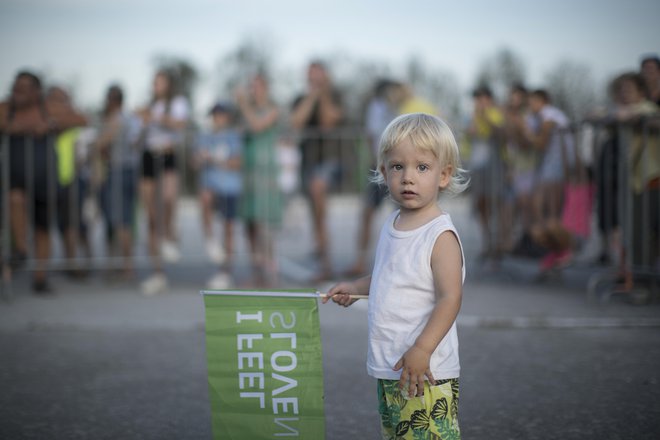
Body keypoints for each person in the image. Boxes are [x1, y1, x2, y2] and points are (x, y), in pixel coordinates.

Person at [323, 113, 467, 439]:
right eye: (398, 167)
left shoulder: (439, 235)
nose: (408, 178)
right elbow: (389, 277)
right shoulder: (393, 225)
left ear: (444, 175)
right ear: (384, 172)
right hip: (391, 365)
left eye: (422, 167)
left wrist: (423, 349)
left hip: (426, 370)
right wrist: (357, 288)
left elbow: (450, 298)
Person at [0, 71, 87, 293]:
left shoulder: (48, 108)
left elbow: (81, 118)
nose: (18, 92)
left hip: (45, 178)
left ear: (36, 91)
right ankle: (20, 248)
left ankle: (40, 277)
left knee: (43, 227)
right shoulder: (6, 108)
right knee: (15, 198)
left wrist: (52, 125)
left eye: (24, 87)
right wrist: (22, 128)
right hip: (15, 175)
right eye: (16, 86)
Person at [136, 69, 190, 295]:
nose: (156, 86)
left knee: (168, 199)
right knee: (150, 216)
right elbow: (137, 134)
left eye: (160, 82)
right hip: (149, 156)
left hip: (167, 157)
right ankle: (157, 272)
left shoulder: (176, 103)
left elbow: (179, 124)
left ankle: (169, 235)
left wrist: (154, 118)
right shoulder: (147, 106)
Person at [290, 60, 344, 280]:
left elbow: (328, 121)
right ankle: (322, 260)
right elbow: (296, 122)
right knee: (315, 214)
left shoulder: (336, 96)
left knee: (318, 194)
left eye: (318, 76)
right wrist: (312, 96)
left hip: (330, 160)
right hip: (308, 161)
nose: (314, 80)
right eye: (311, 76)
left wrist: (322, 95)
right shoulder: (300, 99)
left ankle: (325, 261)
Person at [346, 79, 397, 276]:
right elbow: (370, 135)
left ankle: (397, 260)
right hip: (381, 166)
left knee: (401, 213)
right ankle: (361, 260)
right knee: (368, 212)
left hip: (394, 165)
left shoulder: (396, 107)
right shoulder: (377, 107)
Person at [236, 73, 282, 286]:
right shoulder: (246, 112)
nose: (253, 91)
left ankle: (270, 271)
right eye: (251, 87)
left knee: (264, 225)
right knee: (250, 224)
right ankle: (256, 271)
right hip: (249, 173)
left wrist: (243, 105)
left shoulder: (273, 109)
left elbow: (257, 125)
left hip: (266, 174)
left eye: (257, 87)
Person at [193, 102, 242, 289]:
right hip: (210, 185)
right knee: (204, 198)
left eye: (221, 115)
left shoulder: (232, 136)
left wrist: (215, 159)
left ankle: (225, 271)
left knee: (229, 228)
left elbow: (237, 162)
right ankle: (210, 240)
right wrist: (200, 158)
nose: (217, 119)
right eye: (215, 115)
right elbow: (195, 161)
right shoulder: (204, 136)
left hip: (230, 187)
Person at [95, 84, 141, 279]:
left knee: (119, 221)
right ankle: (124, 265)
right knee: (124, 220)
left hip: (119, 172)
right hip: (129, 171)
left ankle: (123, 266)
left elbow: (101, 144)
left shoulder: (117, 120)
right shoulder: (133, 119)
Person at [465, 86, 506, 259]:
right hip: (478, 165)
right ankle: (486, 241)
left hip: (494, 165)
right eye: (477, 99)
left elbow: (499, 132)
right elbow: (470, 135)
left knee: (494, 202)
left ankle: (497, 244)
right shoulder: (472, 116)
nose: (479, 103)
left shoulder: (496, 114)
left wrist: (484, 117)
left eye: (482, 99)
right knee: (481, 204)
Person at [523, 89, 574, 223]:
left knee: (551, 204)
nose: (530, 105)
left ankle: (551, 235)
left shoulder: (548, 114)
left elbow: (541, 143)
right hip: (554, 162)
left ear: (542, 101)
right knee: (547, 202)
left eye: (533, 102)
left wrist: (527, 134)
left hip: (556, 163)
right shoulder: (550, 114)